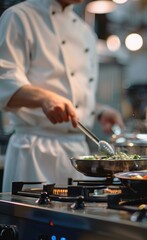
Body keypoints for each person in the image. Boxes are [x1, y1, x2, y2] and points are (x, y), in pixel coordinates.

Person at [0, 0, 125, 192]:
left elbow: (73, 95)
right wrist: (44, 98)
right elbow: (4, 81)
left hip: (79, 157)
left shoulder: (86, 32)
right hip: (35, 153)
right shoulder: (19, 17)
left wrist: (98, 111)